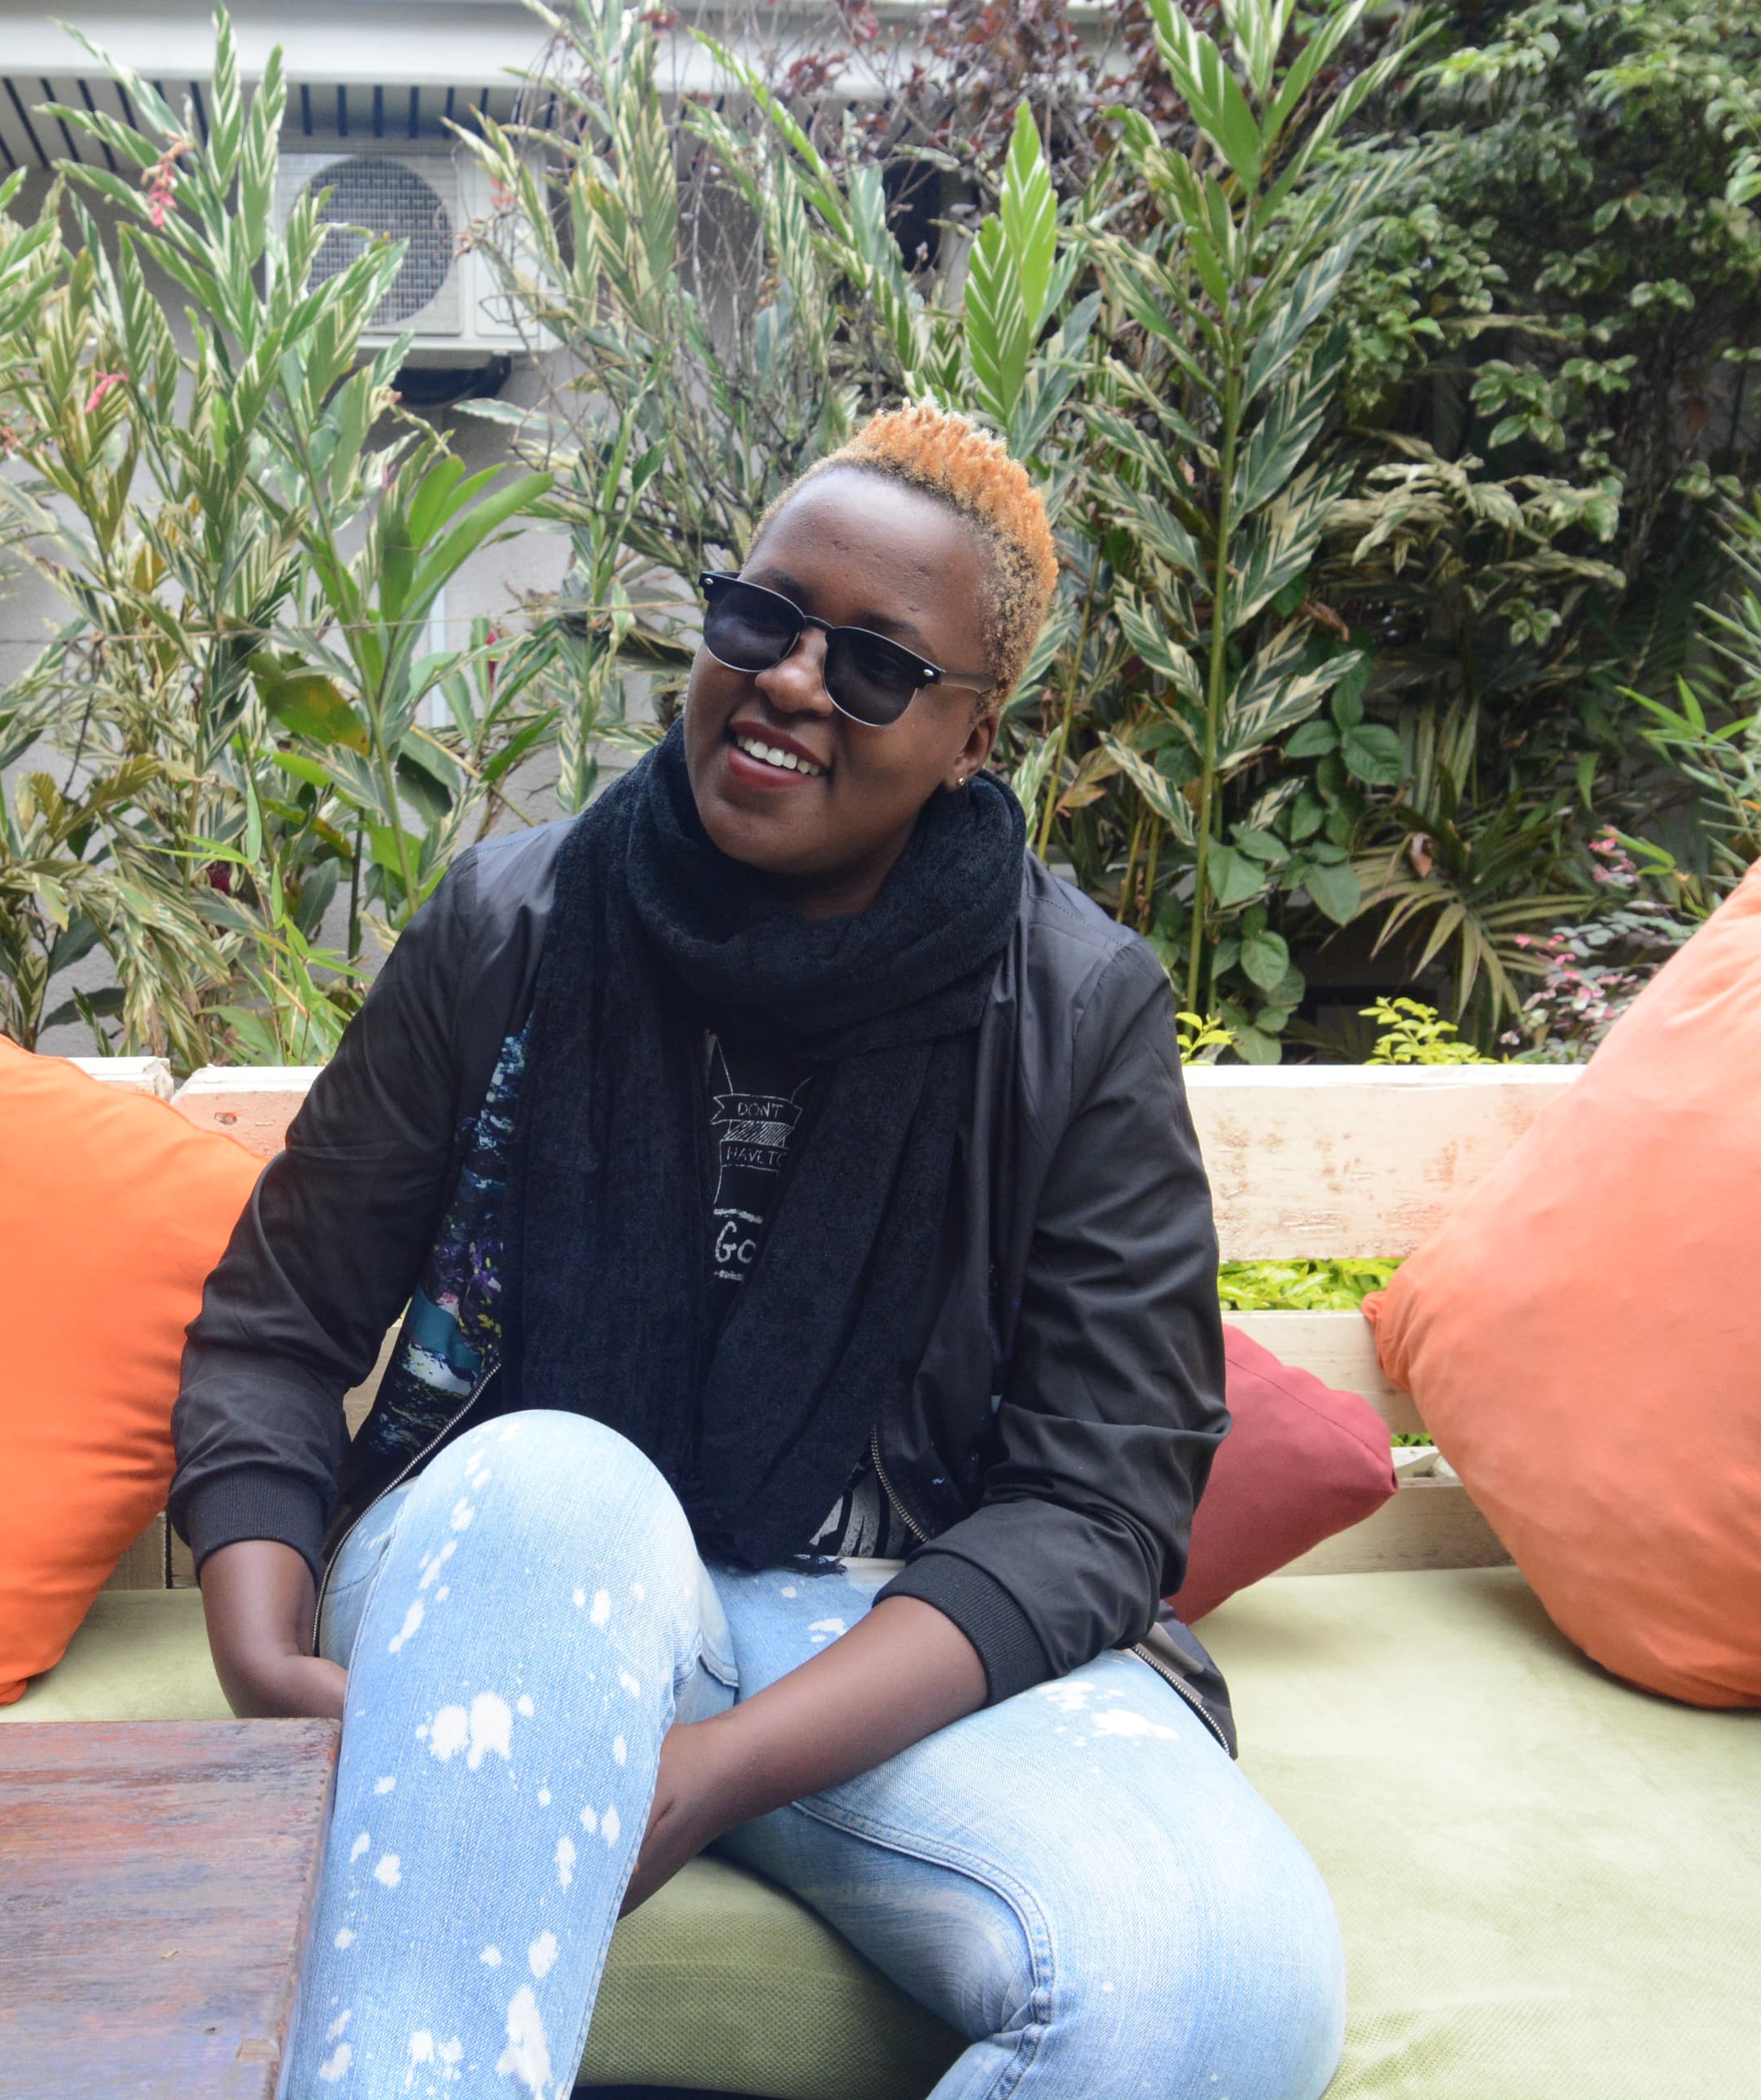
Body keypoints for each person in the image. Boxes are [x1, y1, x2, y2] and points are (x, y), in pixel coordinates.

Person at [171, 404, 1345, 2100]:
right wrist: (263, 1648)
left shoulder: (1074, 1009)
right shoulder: (512, 924)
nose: (795, 680)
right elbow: (279, 1324)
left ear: (972, 737)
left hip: (881, 1636)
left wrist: (713, 1767)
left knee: (1227, 1986)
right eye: (764, 620)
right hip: (509, 1583)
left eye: (875, 667)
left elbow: (1103, 1497)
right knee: (557, 1477)